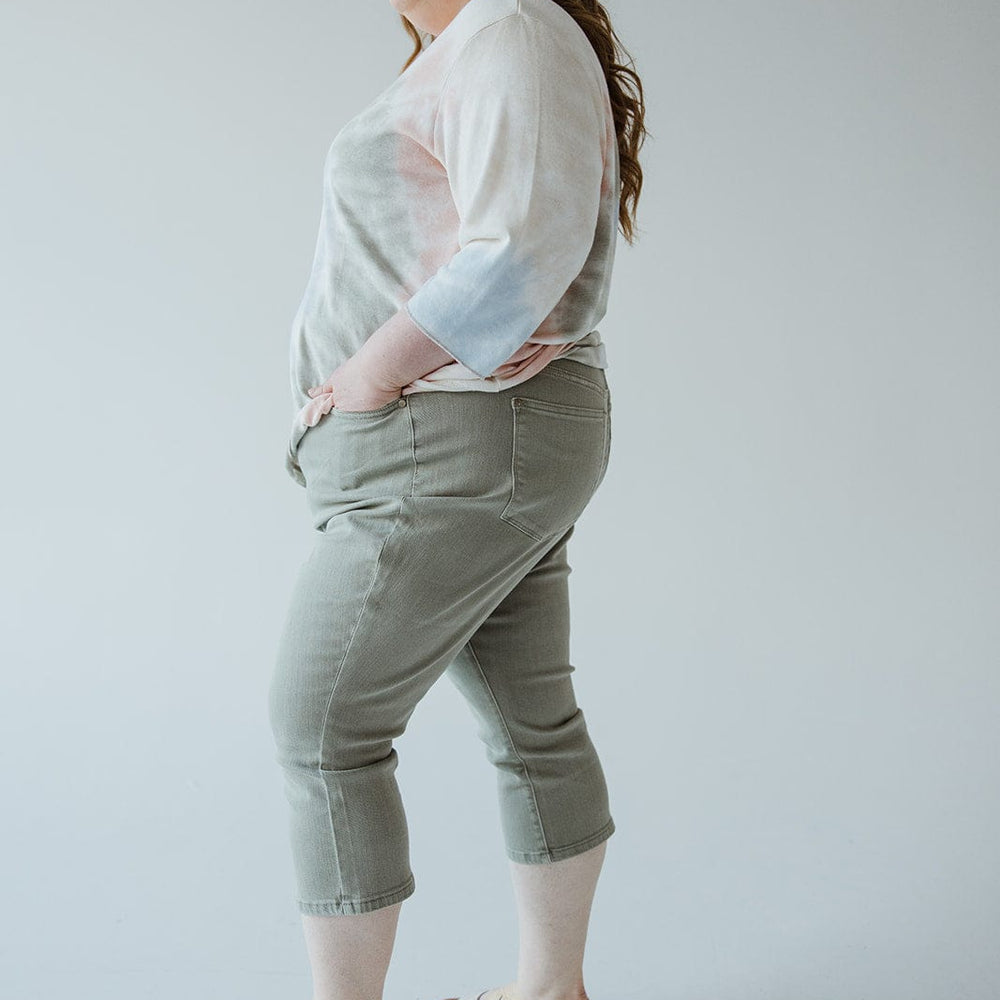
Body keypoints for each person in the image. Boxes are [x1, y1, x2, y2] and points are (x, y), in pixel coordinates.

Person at [268, 1, 647, 998]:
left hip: (461, 431)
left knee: (320, 724)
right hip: (468, 432)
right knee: (533, 721)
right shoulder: (470, 46)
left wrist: (368, 376)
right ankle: (549, 991)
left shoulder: (511, 26)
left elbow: (520, 248)